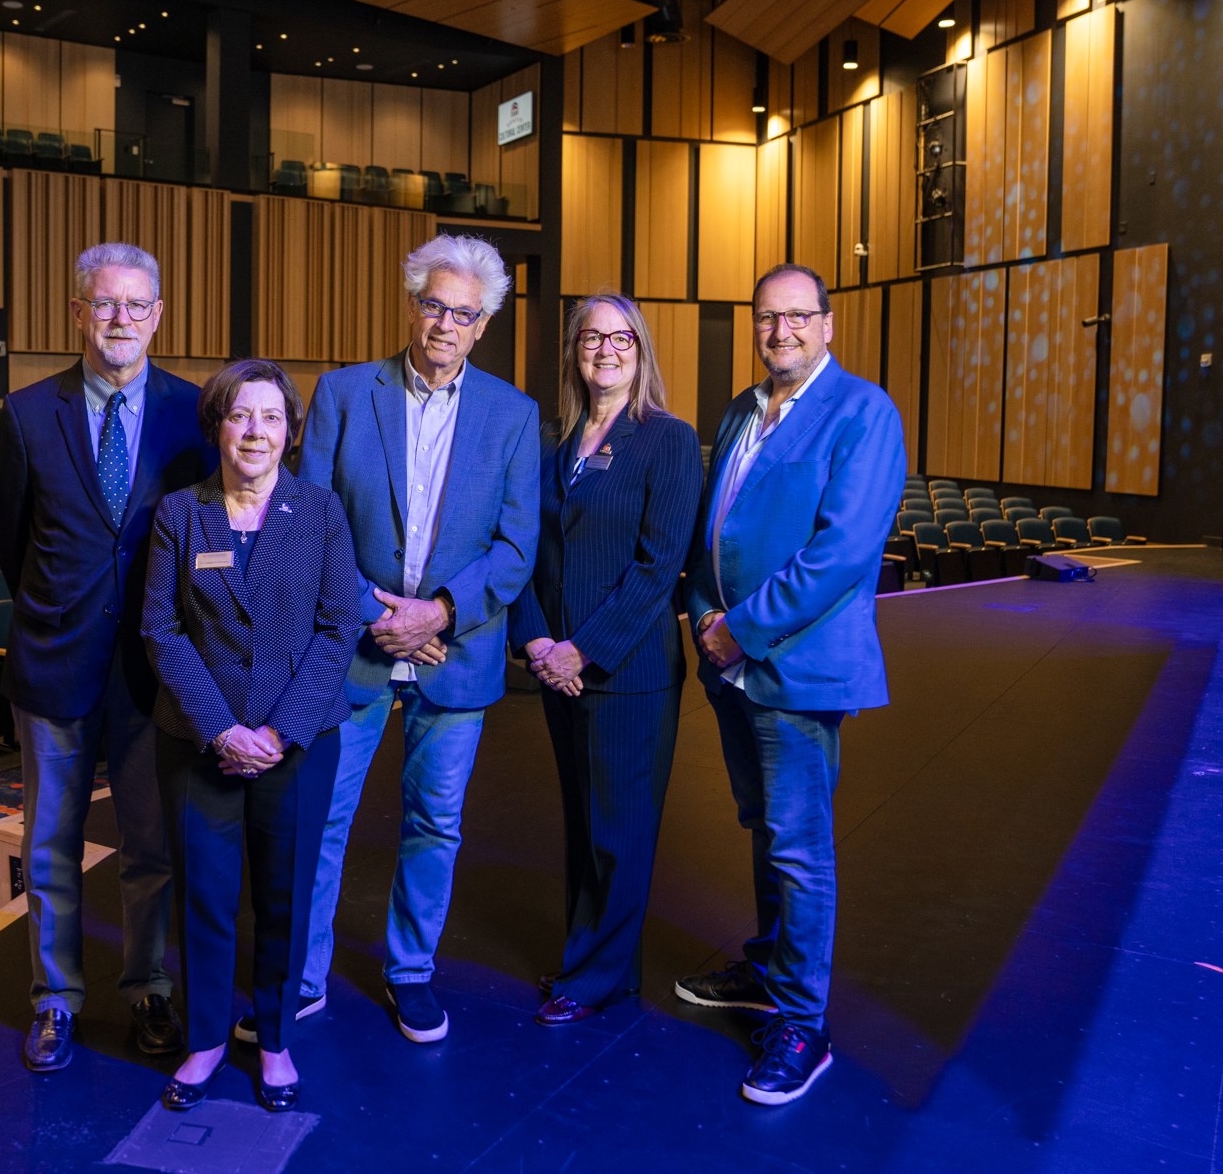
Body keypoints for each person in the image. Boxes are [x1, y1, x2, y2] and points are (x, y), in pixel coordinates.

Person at [296, 233, 539, 1044]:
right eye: (433, 304)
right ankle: (301, 972)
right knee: (324, 814)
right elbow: (312, 522)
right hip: (354, 646)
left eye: (463, 313)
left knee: (435, 820)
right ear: (412, 304)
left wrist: (435, 612)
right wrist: (378, 615)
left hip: (454, 651)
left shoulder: (514, 414)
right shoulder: (341, 393)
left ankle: (410, 970)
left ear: (483, 324)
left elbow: (515, 547)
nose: (444, 323)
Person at [675, 263, 904, 1107]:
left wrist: (741, 628)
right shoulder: (743, 407)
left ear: (828, 323)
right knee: (761, 823)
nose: (782, 332)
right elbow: (717, 524)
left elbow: (841, 553)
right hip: (729, 655)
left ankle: (804, 1022)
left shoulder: (863, 412)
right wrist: (704, 614)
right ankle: (769, 967)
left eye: (798, 318)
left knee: (800, 848)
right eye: (768, 319)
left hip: (795, 665)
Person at [0, 242, 215, 1073]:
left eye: (136, 305)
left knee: (151, 845)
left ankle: (147, 987)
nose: (120, 319)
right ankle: (56, 999)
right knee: (50, 841)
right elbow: (8, 540)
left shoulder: (196, 413)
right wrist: (59, 611)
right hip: (54, 661)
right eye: (104, 304)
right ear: (78, 312)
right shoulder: (25, 411)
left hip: (155, 671)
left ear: (158, 314)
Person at [142, 360, 362, 1114]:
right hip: (200, 742)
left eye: (271, 417)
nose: (256, 432)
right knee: (203, 893)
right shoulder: (180, 513)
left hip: (296, 745)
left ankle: (273, 1040)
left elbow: (340, 628)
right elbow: (162, 632)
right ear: (218, 426)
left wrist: (278, 729)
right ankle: (205, 1038)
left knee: (284, 893)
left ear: (291, 431)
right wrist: (223, 729)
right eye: (240, 415)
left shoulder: (322, 511)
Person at [509, 294, 702, 1026]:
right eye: (592, 337)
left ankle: (601, 974)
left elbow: (659, 569)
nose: (606, 349)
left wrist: (581, 652)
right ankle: (591, 957)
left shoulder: (668, 440)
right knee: (582, 820)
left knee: (620, 827)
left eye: (621, 337)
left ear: (641, 349)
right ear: (575, 351)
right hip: (555, 663)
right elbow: (523, 553)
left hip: (627, 672)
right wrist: (536, 643)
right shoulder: (554, 445)